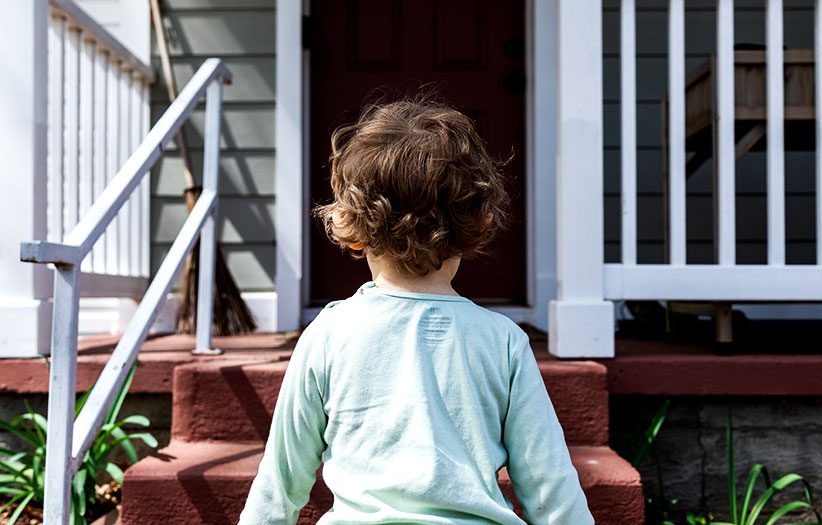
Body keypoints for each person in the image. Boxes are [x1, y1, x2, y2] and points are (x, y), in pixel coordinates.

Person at [238, 98, 594, 524]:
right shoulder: (503, 342)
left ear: (352, 229)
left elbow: (279, 484)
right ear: (477, 225)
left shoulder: (329, 334)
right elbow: (552, 491)